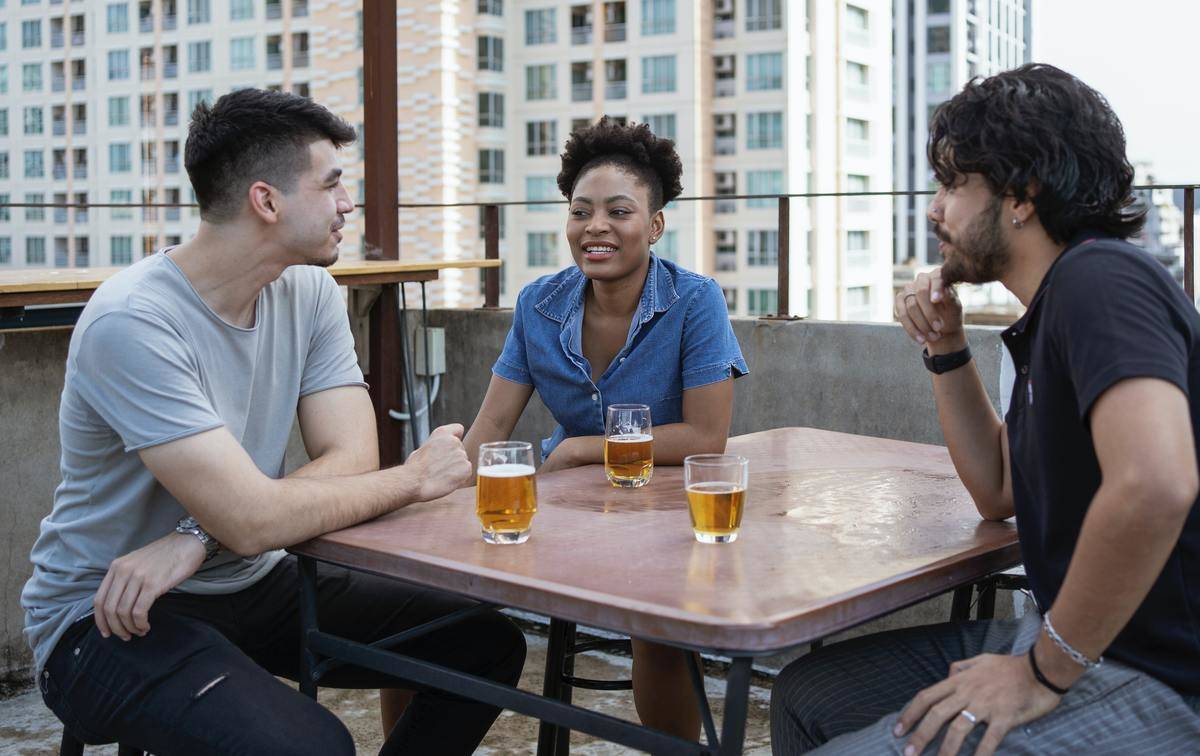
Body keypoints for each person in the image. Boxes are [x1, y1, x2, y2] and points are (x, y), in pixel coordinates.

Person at [21, 89, 526, 756]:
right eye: (333, 184)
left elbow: (348, 456)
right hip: (104, 617)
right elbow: (256, 520)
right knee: (311, 748)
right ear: (267, 201)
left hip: (249, 582)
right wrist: (412, 479)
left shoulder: (309, 289)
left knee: (482, 643)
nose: (348, 205)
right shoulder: (133, 322)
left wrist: (198, 537)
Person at [771, 64, 1200, 754]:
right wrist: (944, 347)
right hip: (1073, 642)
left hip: (1159, 678)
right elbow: (997, 490)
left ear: (1022, 194)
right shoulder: (1052, 308)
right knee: (807, 696)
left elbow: (1158, 482)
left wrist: (1041, 672)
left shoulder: (1103, 279)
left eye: (953, 184)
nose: (934, 209)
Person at [462, 117, 748, 739]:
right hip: (560, 512)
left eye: (618, 212)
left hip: (665, 514)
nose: (595, 227)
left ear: (654, 225)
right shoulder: (539, 303)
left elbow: (705, 439)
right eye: (580, 211)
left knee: (657, 623)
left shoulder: (694, 300)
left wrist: (580, 448)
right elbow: (490, 424)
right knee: (427, 606)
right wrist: (430, 490)